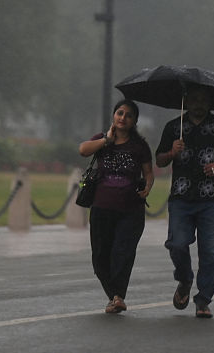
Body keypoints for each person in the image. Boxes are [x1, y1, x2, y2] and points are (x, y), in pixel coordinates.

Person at [155, 86, 214, 319]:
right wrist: (172, 152)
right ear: (185, 100)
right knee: (177, 244)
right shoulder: (174, 127)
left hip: (212, 200)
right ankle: (184, 279)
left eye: (203, 100)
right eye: (193, 99)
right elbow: (160, 159)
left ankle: (203, 299)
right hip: (181, 198)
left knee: (212, 253)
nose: (198, 104)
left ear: (210, 102)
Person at [78, 99, 154, 314]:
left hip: (130, 210)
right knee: (100, 256)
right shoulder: (101, 140)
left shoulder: (140, 146)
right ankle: (113, 296)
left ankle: (118, 296)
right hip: (102, 208)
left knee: (123, 252)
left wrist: (148, 187)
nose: (123, 118)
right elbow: (83, 150)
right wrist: (106, 141)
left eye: (128, 115)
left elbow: (149, 172)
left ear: (134, 121)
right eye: (120, 113)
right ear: (113, 116)